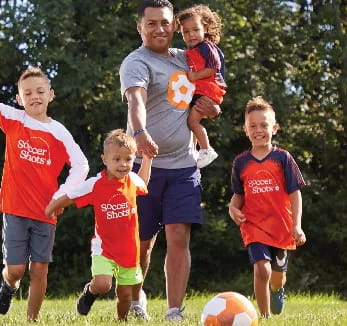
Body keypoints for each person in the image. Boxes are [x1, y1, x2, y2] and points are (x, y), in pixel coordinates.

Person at [119, 0, 221, 322]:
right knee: (143, 243)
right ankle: (137, 299)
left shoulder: (186, 58)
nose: (159, 29)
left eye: (164, 22)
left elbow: (209, 90)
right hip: (144, 168)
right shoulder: (135, 62)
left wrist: (211, 107)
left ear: (173, 25)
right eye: (151, 23)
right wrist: (139, 132)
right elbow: (136, 100)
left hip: (184, 168)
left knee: (179, 235)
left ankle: (174, 311)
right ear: (140, 27)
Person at [0, 50, 89, 321]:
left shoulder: (59, 132)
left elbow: (81, 165)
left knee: (39, 270)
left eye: (39, 91)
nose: (34, 97)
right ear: (19, 99)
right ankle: (8, 286)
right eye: (28, 93)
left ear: (51, 94)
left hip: (46, 213)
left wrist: (61, 197)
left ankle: (31, 320)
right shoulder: (14, 120)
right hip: (14, 207)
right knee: (16, 269)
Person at [45, 129, 152, 321]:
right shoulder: (95, 184)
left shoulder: (132, 180)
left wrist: (147, 161)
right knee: (103, 284)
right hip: (104, 249)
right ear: (105, 159)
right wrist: (52, 208)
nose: (123, 164)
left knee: (126, 295)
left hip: (129, 250)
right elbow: (71, 196)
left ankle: (121, 320)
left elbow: (143, 182)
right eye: (117, 159)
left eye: (128, 160)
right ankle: (90, 292)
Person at [228, 96, 306, 318]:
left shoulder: (283, 158)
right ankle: (264, 317)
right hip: (254, 226)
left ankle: (278, 289)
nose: (258, 130)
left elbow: (295, 193)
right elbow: (238, 196)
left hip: (281, 227)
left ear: (275, 128)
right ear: (245, 129)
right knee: (261, 268)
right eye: (253, 126)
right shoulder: (241, 162)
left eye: (264, 125)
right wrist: (232, 209)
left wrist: (297, 226)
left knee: (277, 275)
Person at [177, 4, 227, 168]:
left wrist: (195, 76)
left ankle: (206, 149)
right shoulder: (194, 50)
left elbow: (214, 66)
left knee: (193, 122)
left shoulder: (207, 47)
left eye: (195, 30)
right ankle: (194, 150)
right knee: (192, 120)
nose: (191, 35)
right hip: (202, 89)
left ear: (205, 28)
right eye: (186, 31)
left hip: (208, 89)